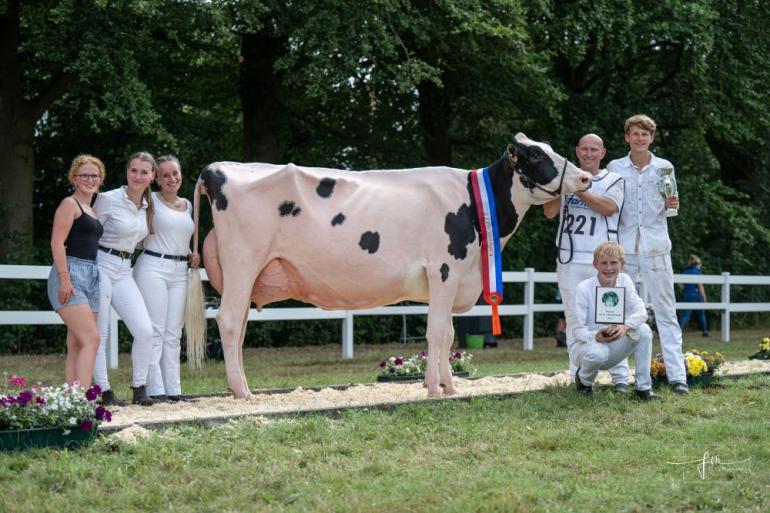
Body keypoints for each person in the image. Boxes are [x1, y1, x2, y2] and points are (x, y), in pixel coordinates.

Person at [607, 114, 689, 394]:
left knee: (666, 310)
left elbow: (671, 208)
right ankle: (620, 377)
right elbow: (611, 206)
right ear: (627, 137)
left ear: (651, 138)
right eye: (635, 134)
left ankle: (678, 377)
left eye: (645, 134)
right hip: (624, 248)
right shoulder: (615, 166)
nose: (640, 139)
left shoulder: (665, 167)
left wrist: (672, 204)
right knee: (617, 308)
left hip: (656, 246)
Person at [544, 133, 630, 392]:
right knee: (574, 319)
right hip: (570, 257)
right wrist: (561, 186)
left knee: (611, 314)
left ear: (603, 153)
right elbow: (549, 212)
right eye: (584, 149)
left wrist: (579, 189)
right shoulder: (566, 180)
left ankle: (620, 377)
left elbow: (608, 207)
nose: (589, 154)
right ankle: (579, 377)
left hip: (604, 260)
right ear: (577, 152)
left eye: (594, 149)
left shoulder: (613, 179)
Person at [133, 155, 200, 402]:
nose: (172, 178)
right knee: (156, 330)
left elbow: (181, 238)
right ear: (157, 179)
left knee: (174, 333)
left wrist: (192, 255)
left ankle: (174, 390)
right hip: (153, 267)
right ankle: (154, 389)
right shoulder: (149, 202)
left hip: (180, 271)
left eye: (175, 173)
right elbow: (135, 232)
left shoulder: (188, 205)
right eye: (165, 175)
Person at [93, 152, 157, 406]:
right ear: (126, 172)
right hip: (100, 264)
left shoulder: (148, 206)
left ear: (152, 176)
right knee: (100, 331)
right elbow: (88, 232)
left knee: (145, 330)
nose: (138, 176)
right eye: (134, 170)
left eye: (144, 172)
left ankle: (139, 388)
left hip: (124, 269)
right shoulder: (108, 199)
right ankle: (104, 390)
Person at [572, 241, 657, 400]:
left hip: (615, 344)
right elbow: (577, 330)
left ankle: (643, 388)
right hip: (586, 348)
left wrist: (625, 327)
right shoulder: (584, 288)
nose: (608, 268)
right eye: (604, 263)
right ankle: (584, 382)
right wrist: (595, 336)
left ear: (622, 264)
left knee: (644, 330)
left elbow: (641, 311)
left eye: (613, 263)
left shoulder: (625, 281)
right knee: (599, 352)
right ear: (595, 264)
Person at [47, 155, 105, 388]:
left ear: (100, 179)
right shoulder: (69, 204)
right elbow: (56, 243)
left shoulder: (92, 209)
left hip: (91, 275)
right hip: (70, 272)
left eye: (94, 176)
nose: (89, 179)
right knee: (92, 338)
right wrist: (64, 279)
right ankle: (85, 400)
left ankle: (73, 397)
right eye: (84, 175)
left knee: (77, 343)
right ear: (74, 178)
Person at [678, 254, 709, 337]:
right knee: (701, 314)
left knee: (685, 315)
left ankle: (678, 331)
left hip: (687, 295)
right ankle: (705, 331)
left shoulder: (685, 272)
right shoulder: (697, 272)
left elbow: (680, 283)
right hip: (696, 295)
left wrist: (684, 289)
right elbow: (700, 286)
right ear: (697, 264)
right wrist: (704, 297)